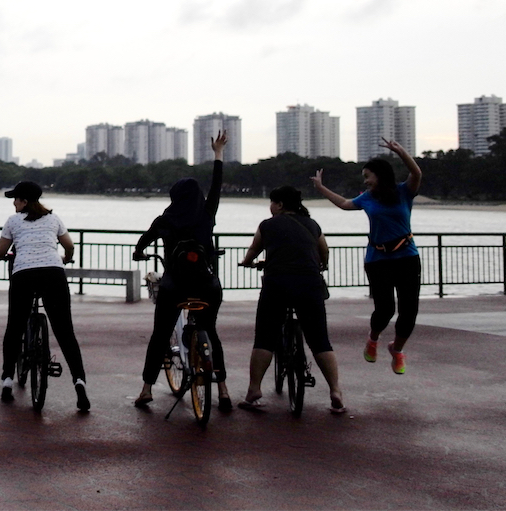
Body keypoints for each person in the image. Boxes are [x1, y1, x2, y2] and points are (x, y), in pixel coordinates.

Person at [131, 130, 233, 411]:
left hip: (175, 286)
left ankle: (146, 389)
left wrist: (139, 253)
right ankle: (223, 390)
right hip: (207, 284)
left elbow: (142, 242)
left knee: (161, 335)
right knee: (210, 332)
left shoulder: (165, 219)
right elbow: (216, 186)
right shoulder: (206, 213)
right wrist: (218, 154)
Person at [311, 138, 422, 374]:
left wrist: (401, 152)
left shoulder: (404, 192)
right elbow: (343, 203)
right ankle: (373, 338)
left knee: (409, 309)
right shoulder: (368, 197)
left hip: (407, 257)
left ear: (380, 175)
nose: (365, 180)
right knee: (385, 309)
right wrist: (321, 188)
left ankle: (397, 349)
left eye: (367, 175)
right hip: (378, 259)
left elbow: (416, 172)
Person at [238, 186, 345, 413]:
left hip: (277, 283)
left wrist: (247, 262)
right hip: (309, 283)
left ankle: (254, 390)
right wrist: (321, 266)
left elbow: (253, 252)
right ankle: (335, 391)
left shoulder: (267, 225)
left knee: (265, 338)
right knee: (319, 339)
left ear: (279, 204)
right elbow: (324, 251)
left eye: (272, 203)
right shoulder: (312, 224)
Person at [0, 181, 90, 412]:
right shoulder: (53, 219)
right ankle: (79, 382)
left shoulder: (13, 221)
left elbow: (1, 251)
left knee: (15, 326)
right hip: (53, 274)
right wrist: (65, 257)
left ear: (24, 201)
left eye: (15, 199)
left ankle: (6, 381)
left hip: (24, 275)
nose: (13, 202)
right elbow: (69, 245)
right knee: (64, 331)